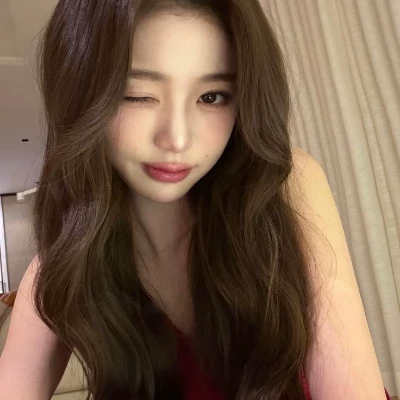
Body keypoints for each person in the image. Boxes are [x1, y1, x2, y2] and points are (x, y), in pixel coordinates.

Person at [0, 0, 391, 399]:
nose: (178, 138)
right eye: (136, 95)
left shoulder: (283, 187)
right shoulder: (65, 265)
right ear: (81, 97)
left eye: (212, 97)